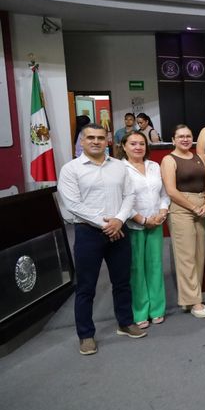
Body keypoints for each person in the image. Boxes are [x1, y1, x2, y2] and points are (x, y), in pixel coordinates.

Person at [58, 123, 146, 355]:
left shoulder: (118, 166)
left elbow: (130, 195)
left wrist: (118, 219)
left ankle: (125, 323)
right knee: (86, 287)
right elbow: (73, 204)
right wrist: (106, 224)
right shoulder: (71, 169)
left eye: (100, 138)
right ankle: (86, 335)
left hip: (119, 229)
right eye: (90, 138)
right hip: (89, 233)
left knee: (122, 282)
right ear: (82, 141)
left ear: (107, 140)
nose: (96, 141)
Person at [161, 125, 205, 319]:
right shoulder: (169, 160)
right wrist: (193, 207)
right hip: (181, 208)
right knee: (186, 256)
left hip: (201, 205)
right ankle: (194, 301)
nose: (185, 139)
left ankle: (191, 298)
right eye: (180, 136)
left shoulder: (201, 158)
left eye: (188, 136)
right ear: (173, 139)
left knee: (199, 254)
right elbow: (171, 190)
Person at [120, 131, 169, 328]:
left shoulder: (154, 166)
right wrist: (141, 219)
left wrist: (162, 213)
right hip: (134, 225)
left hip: (156, 223)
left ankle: (157, 309)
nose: (138, 147)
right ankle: (140, 311)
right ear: (124, 146)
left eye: (141, 143)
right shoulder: (120, 169)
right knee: (136, 269)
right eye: (133, 144)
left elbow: (164, 194)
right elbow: (121, 199)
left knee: (156, 266)